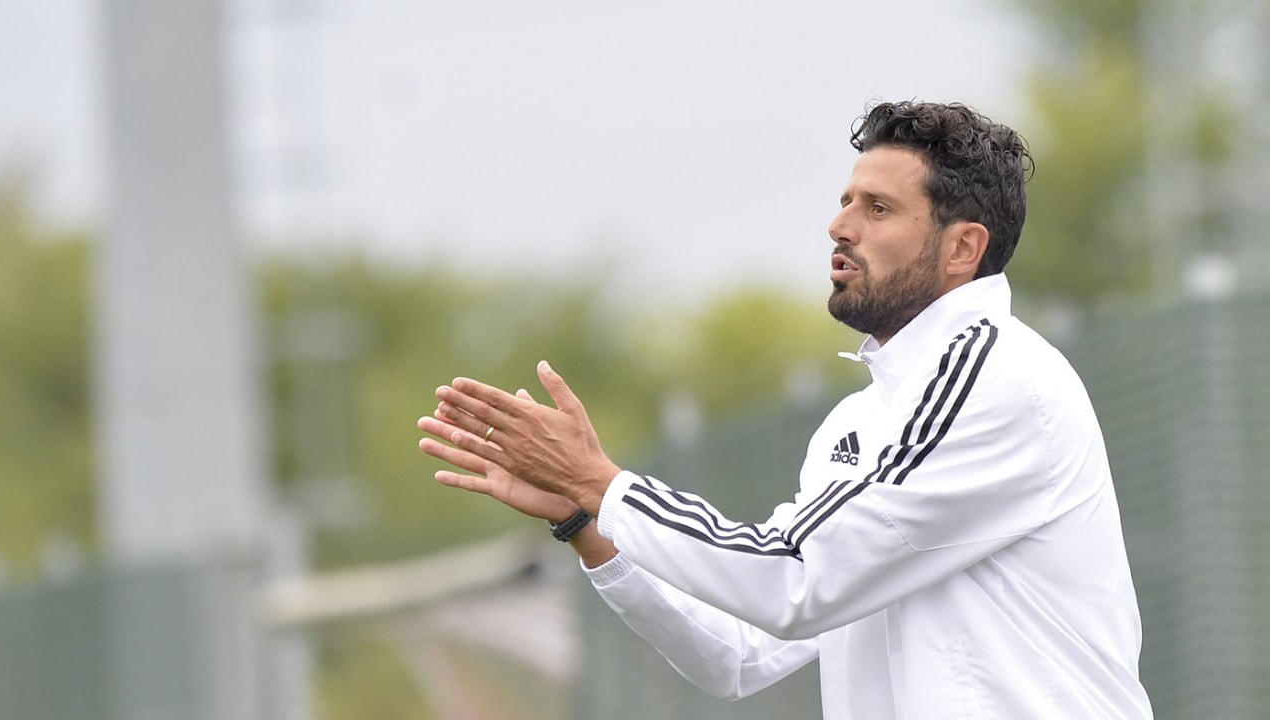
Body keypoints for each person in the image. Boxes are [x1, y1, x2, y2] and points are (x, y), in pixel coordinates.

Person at [417, 100, 1154, 719]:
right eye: (845, 202)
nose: (840, 226)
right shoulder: (859, 423)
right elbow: (739, 650)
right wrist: (586, 520)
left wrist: (602, 483)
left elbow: (794, 576)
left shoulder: (996, 379)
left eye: (878, 208)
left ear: (963, 248)